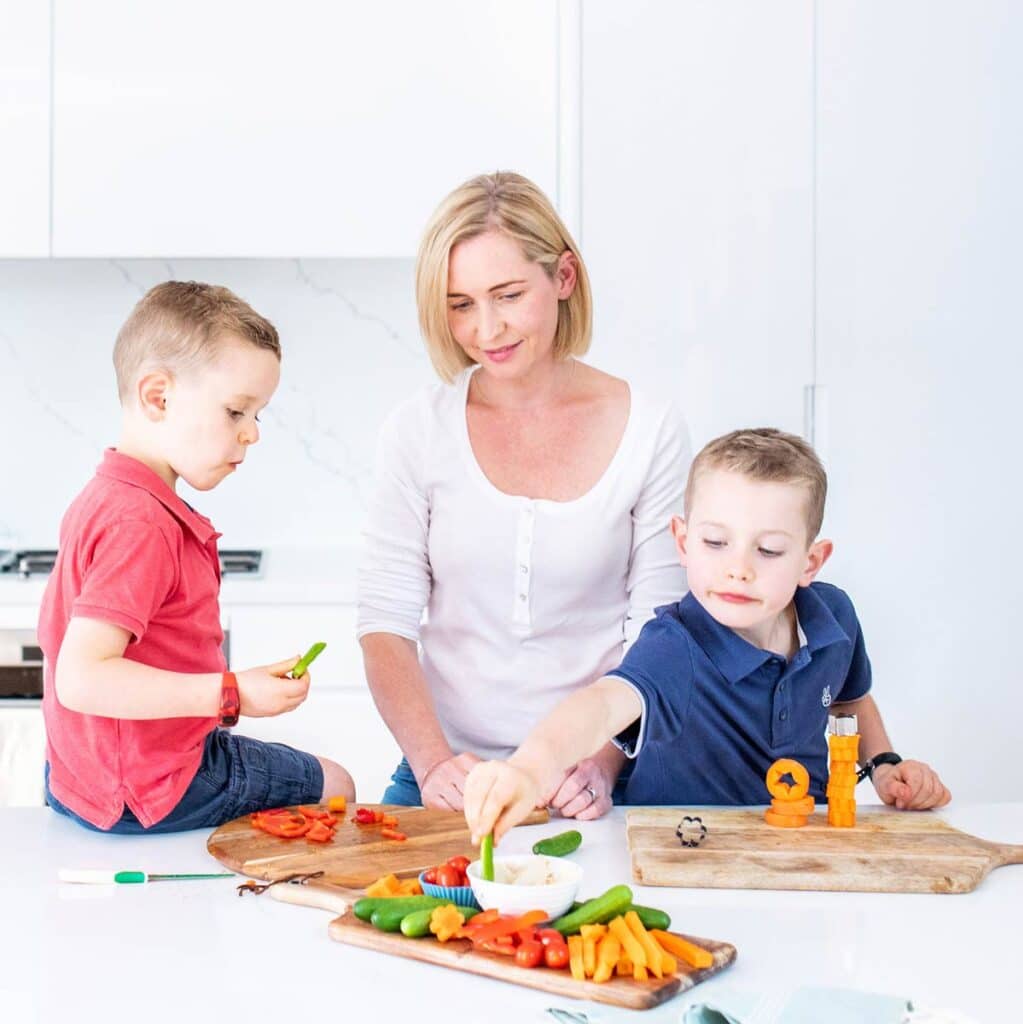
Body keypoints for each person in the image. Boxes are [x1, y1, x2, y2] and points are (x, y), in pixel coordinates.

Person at [357, 172, 691, 818]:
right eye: (460, 305)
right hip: (448, 772)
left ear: (563, 278)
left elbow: (658, 634)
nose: (487, 329)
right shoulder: (417, 430)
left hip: (592, 780)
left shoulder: (650, 429)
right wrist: (431, 764)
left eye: (508, 295)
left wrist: (600, 762)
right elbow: (384, 629)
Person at [464, 428, 951, 842]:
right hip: (686, 852)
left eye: (769, 550)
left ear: (811, 562)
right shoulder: (676, 644)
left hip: (802, 850)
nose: (737, 569)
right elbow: (600, 707)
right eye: (715, 543)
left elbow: (850, 701)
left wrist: (885, 765)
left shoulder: (834, 617)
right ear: (682, 541)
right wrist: (528, 769)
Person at [39, 281, 354, 833]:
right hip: (153, 786)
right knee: (338, 786)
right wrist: (232, 693)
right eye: (236, 411)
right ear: (158, 397)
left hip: (78, 782)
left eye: (258, 415)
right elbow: (83, 678)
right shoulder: (141, 522)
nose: (252, 434)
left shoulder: (108, 494)